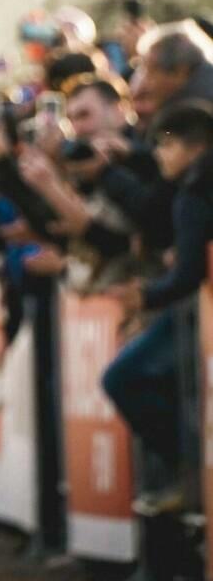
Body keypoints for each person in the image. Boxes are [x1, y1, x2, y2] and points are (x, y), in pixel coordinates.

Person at [103, 102, 213, 513]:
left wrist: (145, 296)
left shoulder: (195, 192)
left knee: (124, 378)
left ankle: (186, 473)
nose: (159, 156)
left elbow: (188, 274)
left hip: (196, 315)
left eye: (166, 146)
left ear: (195, 147)